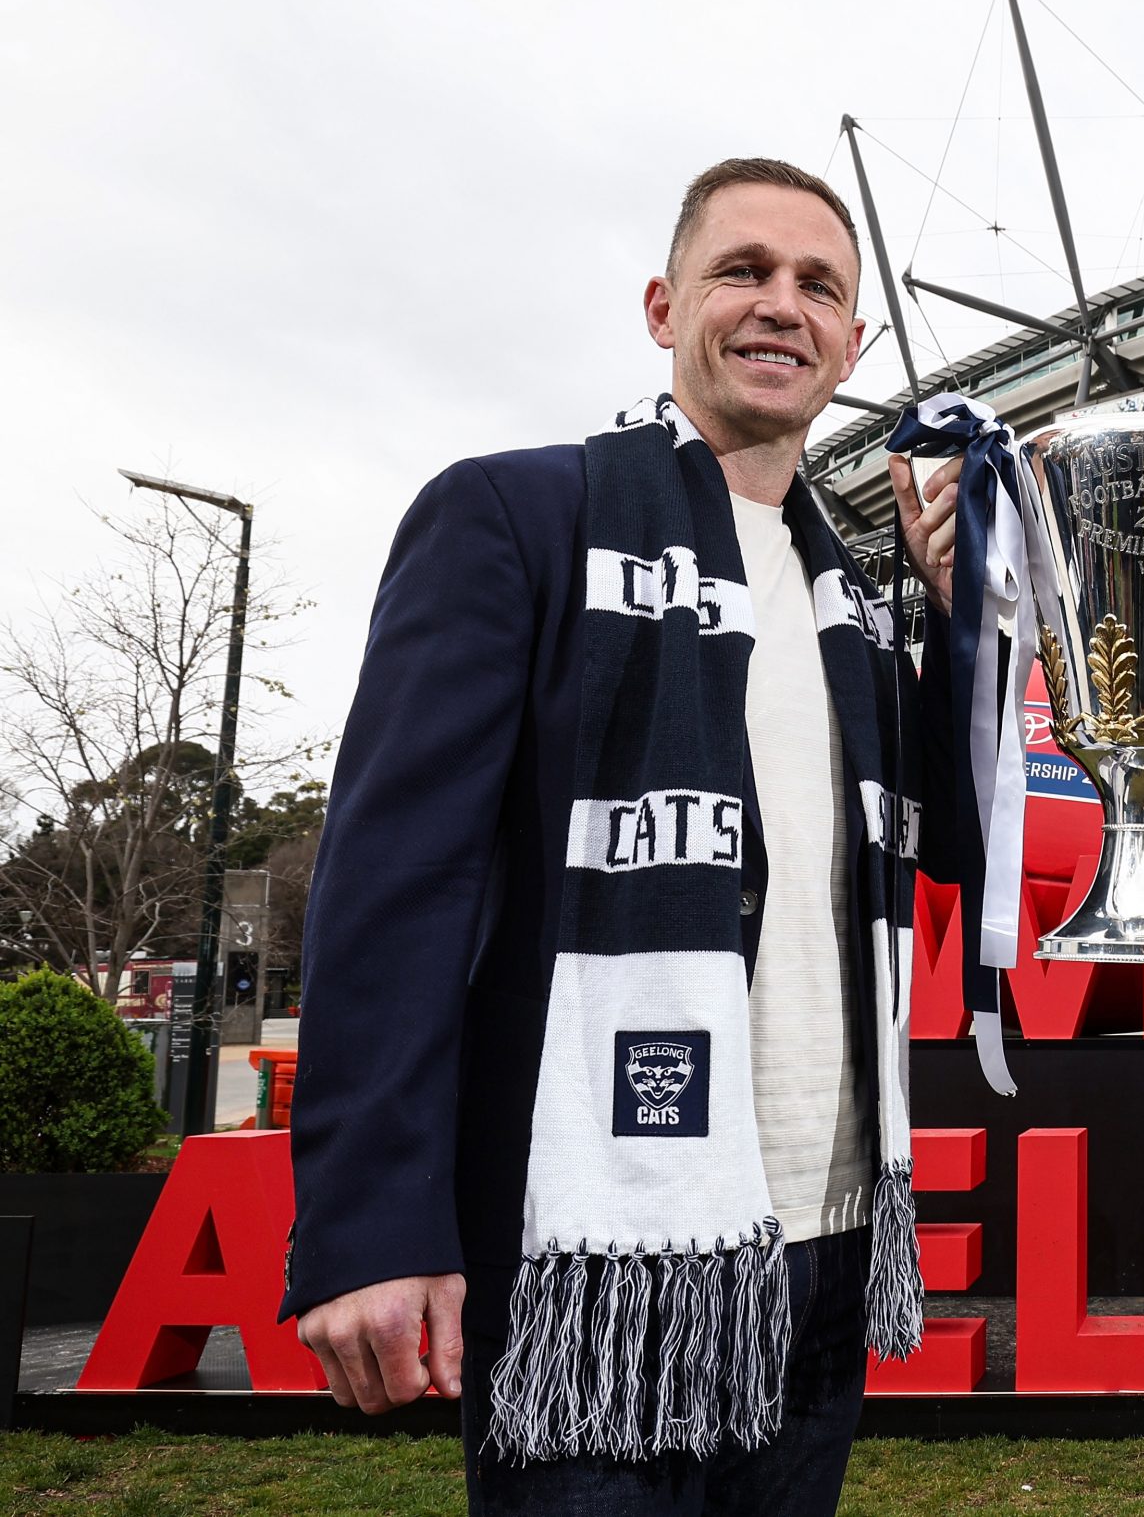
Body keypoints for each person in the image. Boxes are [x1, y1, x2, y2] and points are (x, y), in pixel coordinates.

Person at [282, 158, 965, 1515]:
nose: (781, 305)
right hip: (593, 1256)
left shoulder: (858, 599)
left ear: (852, 346)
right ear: (664, 307)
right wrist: (367, 1223)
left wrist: (963, 624)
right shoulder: (516, 517)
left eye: (818, 286)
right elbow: (395, 884)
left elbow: (950, 844)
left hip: (827, 1247)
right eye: (742, 271)